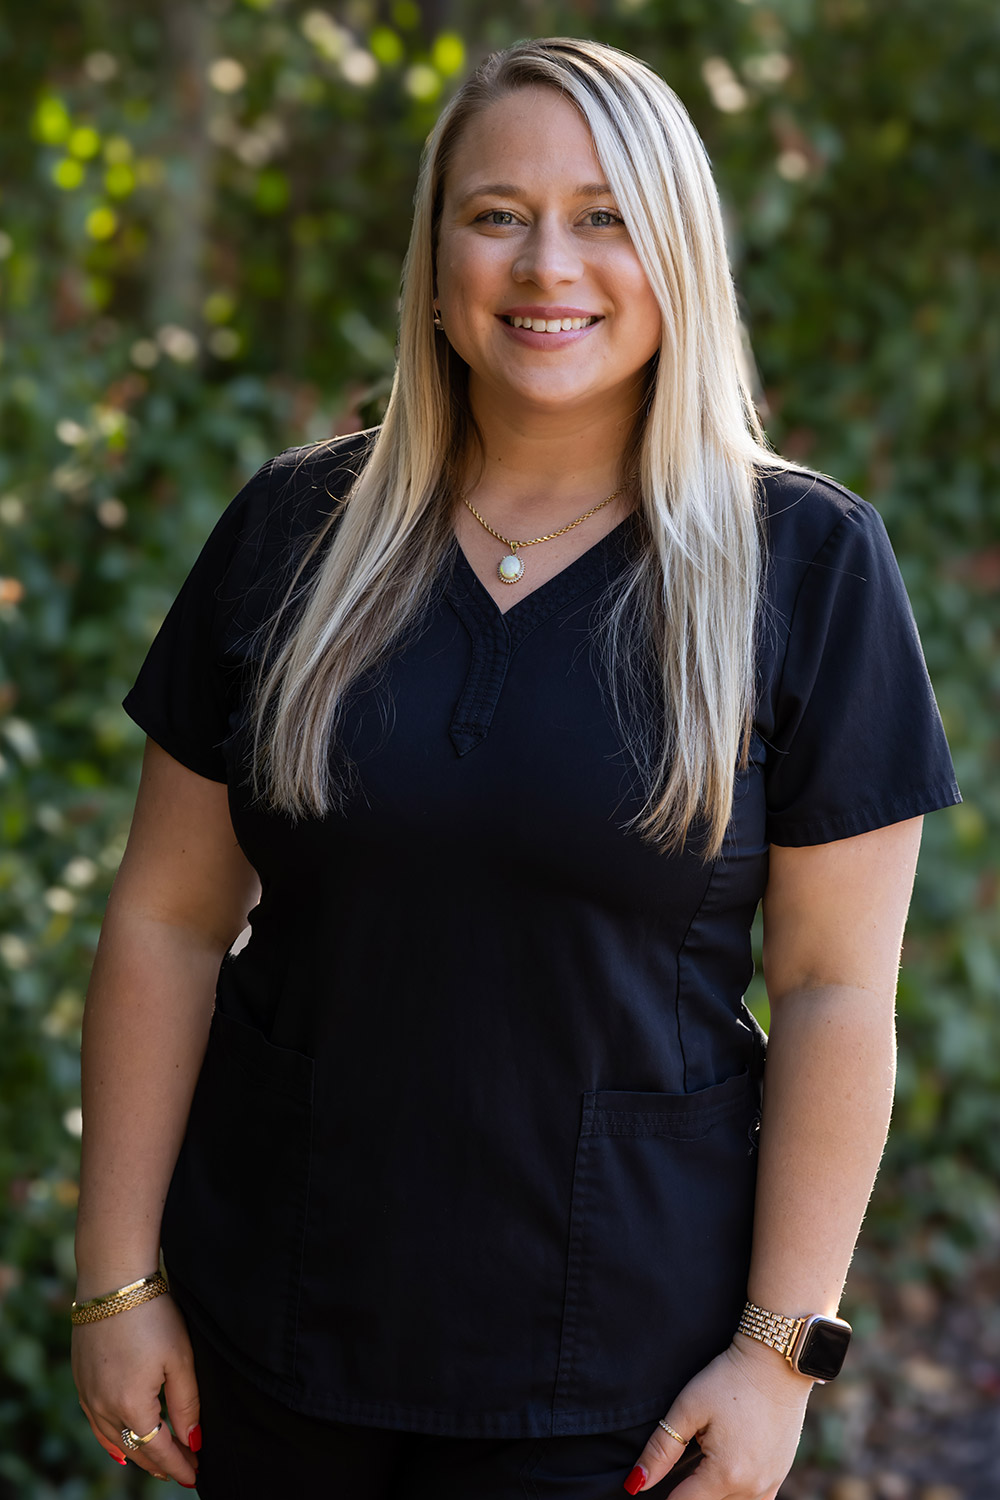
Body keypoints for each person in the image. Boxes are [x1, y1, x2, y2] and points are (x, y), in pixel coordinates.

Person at [71, 36, 960, 1500]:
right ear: (434, 266)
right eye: (497, 214)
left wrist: (777, 1353)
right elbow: (167, 917)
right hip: (279, 1326)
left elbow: (838, 989)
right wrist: (117, 1280)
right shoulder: (293, 534)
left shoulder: (804, 564)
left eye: (606, 216)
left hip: (618, 1371)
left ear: (679, 255)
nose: (550, 264)